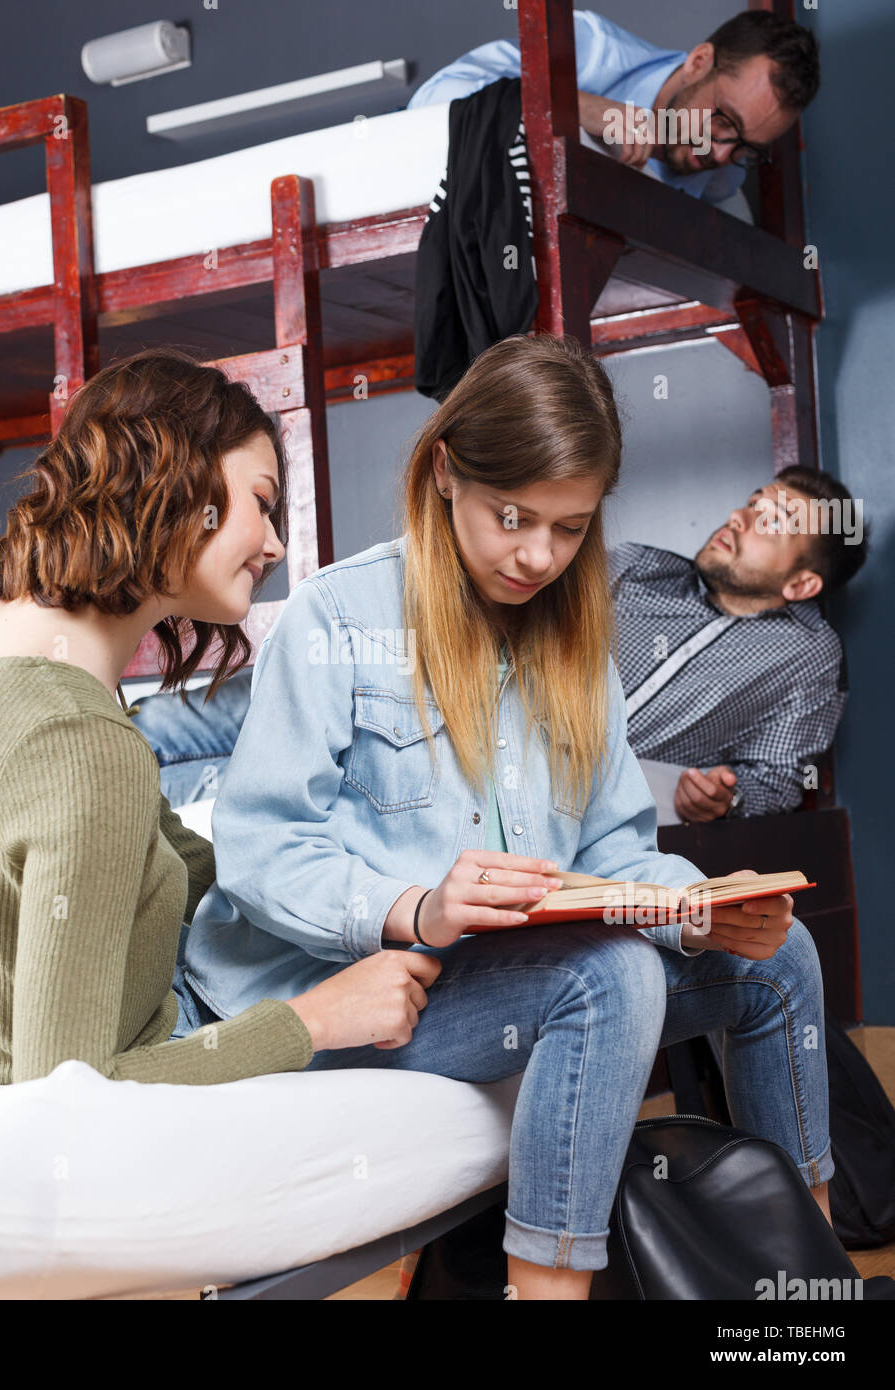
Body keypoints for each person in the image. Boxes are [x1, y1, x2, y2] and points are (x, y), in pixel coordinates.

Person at [180, 332, 834, 1300]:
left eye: (569, 529)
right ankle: (546, 1291)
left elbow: (615, 851)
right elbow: (262, 850)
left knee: (780, 957)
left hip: (511, 975)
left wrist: (698, 907)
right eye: (513, 517)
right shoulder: (339, 617)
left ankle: (804, 1286)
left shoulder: (577, 640)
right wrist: (415, 908)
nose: (537, 555)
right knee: (607, 978)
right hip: (354, 981)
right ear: (446, 472)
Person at [0, 347, 439, 1086]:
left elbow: (165, 849)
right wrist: (314, 1019)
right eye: (262, 501)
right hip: (24, 1070)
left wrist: (337, 897)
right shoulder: (81, 742)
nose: (278, 545)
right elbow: (68, 1087)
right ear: (178, 483)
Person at [611, 468, 867, 823]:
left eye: (773, 522)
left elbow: (775, 779)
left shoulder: (808, 655)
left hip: (613, 832)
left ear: (800, 585)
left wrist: (726, 798)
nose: (739, 518)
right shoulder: (635, 567)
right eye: (752, 504)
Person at [407, 8, 820, 205]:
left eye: (748, 147)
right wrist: (578, 109)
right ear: (698, 63)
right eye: (724, 120)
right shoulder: (589, 48)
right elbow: (431, 106)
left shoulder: (723, 176)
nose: (723, 153)